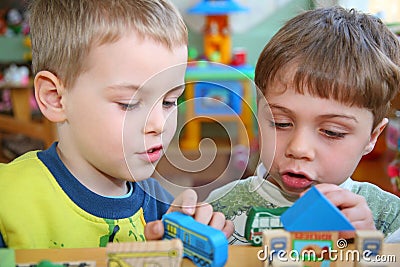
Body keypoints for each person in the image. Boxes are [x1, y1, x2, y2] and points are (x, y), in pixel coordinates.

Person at [0, 0, 233, 249]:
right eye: (129, 104)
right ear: (56, 99)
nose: (158, 124)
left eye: (169, 101)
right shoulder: (8, 199)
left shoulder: (162, 210)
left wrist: (189, 243)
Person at [206, 6, 400, 245]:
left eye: (332, 132)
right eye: (281, 123)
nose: (298, 148)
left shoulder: (390, 219)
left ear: (372, 136)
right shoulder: (220, 208)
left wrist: (369, 246)